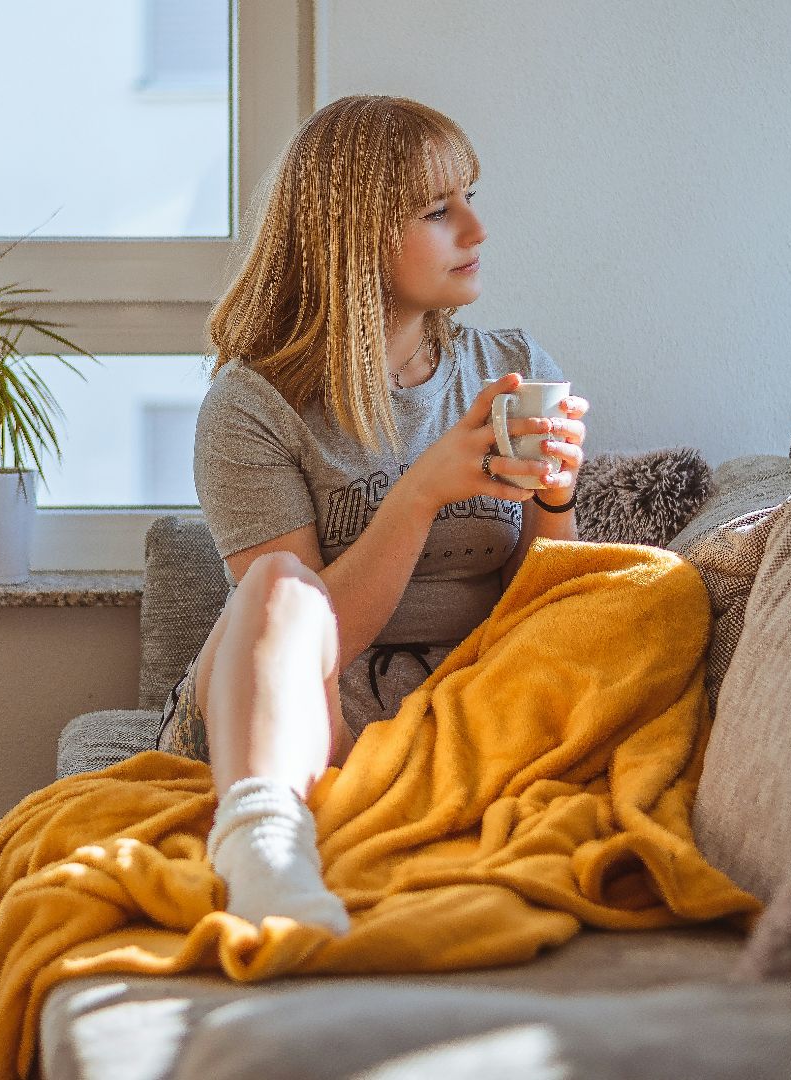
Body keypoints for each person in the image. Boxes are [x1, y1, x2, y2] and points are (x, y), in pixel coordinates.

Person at [161, 96, 589, 935]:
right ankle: (265, 845)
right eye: (438, 210)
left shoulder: (511, 367)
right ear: (352, 238)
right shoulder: (253, 406)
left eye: (470, 196)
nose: (476, 228)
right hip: (292, 700)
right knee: (281, 585)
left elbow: (543, 614)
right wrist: (421, 492)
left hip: (458, 696)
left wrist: (555, 498)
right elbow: (315, 635)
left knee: (655, 596)